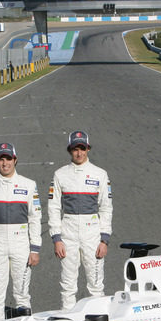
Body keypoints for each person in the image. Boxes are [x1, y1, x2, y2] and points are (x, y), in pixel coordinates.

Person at [0, 142, 42, 321]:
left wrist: (35, 249)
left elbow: (35, 218)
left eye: (8, 159)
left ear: (15, 160)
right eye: (1, 159)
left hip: (21, 245)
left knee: (22, 293)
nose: (5, 163)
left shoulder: (29, 185)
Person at [49, 131, 113, 310]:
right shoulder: (60, 174)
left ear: (88, 149)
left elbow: (106, 208)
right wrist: (57, 239)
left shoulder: (100, 174)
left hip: (92, 233)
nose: (79, 153)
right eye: (75, 149)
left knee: (96, 285)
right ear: (70, 150)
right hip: (67, 233)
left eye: (82, 148)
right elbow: (53, 208)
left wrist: (104, 240)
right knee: (67, 285)